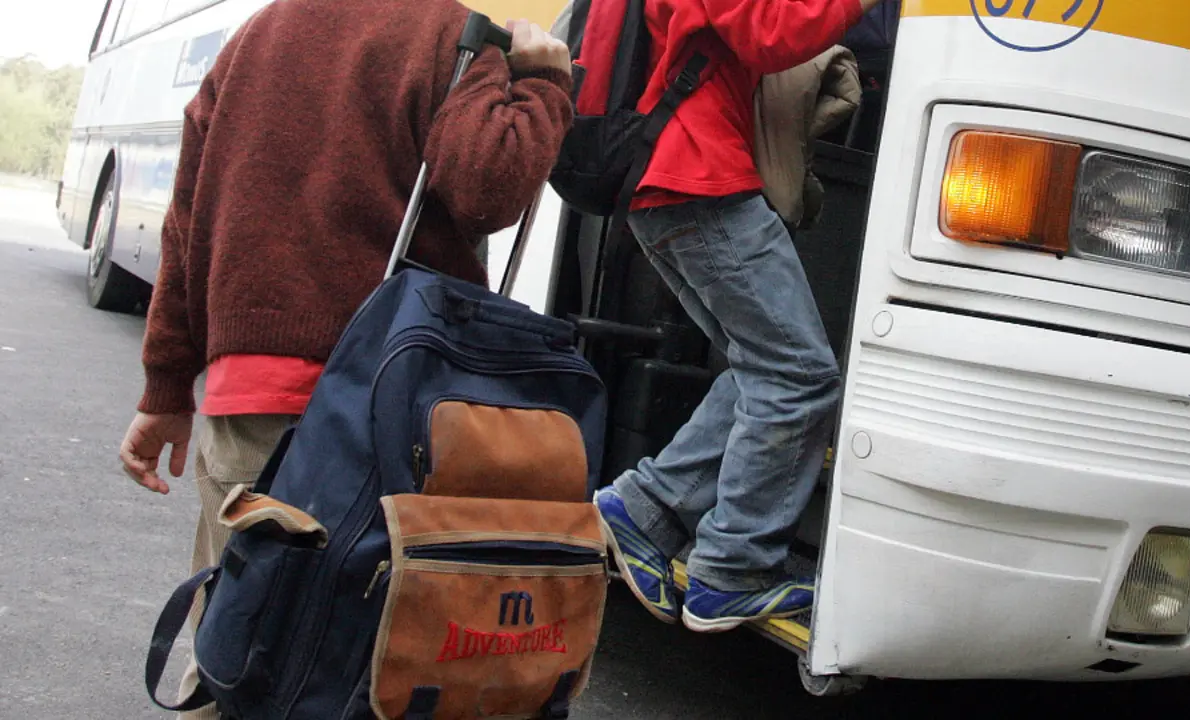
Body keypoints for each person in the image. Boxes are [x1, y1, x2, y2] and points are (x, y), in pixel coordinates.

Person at [116, 1, 573, 716]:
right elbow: (488, 188)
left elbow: (188, 218)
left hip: (249, 397)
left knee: (238, 636)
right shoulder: (450, 35)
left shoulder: (258, 34)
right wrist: (544, 84)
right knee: (359, 646)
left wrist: (166, 390)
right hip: (386, 401)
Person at [592, 0, 883, 633]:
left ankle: (643, 513)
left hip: (673, 182)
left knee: (762, 366)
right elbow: (771, 31)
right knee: (799, 376)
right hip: (699, 180)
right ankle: (734, 568)